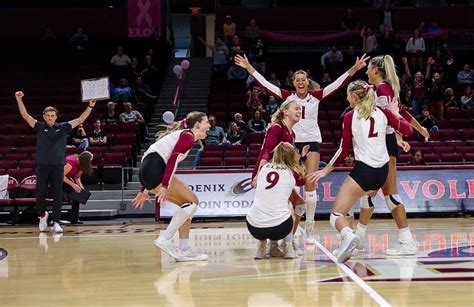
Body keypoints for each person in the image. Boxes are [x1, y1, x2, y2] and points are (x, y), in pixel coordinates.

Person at [235, 53, 369, 245]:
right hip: (292, 144)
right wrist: (249, 68)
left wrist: (354, 70)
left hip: (313, 141)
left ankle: (310, 229)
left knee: (310, 184)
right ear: (293, 82)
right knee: (292, 186)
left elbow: (338, 84)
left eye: (303, 79)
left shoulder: (316, 96)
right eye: (297, 80)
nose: (300, 82)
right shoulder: (287, 97)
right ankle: (292, 225)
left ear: (307, 82)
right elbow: (265, 84)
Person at [307, 80, 413, 262]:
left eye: (348, 95)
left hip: (364, 171)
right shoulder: (384, 112)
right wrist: (397, 114)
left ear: (355, 97)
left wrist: (325, 171)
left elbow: (344, 149)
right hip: (382, 172)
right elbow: (408, 130)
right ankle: (357, 238)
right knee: (365, 200)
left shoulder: (350, 116)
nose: (346, 98)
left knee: (335, 216)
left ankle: (350, 236)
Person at [358, 55, 429, 256]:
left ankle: (361, 239)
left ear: (376, 70)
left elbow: (389, 118)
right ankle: (362, 239)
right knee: (376, 194)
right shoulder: (386, 89)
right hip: (384, 144)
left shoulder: (382, 89)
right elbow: (401, 114)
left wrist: (399, 136)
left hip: (382, 145)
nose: (366, 72)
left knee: (377, 194)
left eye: (369, 69)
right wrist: (419, 128)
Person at [132, 112, 210, 262]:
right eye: (207, 122)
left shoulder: (185, 135)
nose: (209, 125)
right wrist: (165, 185)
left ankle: (185, 248)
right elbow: (172, 159)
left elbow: (152, 159)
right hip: (155, 170)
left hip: (148, 171)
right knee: (192, 203)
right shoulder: (187, 136)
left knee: (189, 203)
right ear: (198, 124)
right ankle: (166, 238)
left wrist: (144, 189)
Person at [14, 91, 96, 233]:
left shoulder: (63, 127)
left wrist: (90, 106)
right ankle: (42, 215)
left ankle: (57, 222)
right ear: (44, 116)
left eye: (53, 116)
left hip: (58, 166)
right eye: (48, 115)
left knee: (57, 194)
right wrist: (19, 99)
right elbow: (25, 116)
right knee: (40, 194)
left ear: (56, 117)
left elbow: (80, 119)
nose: (50, 118)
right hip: (43, 165)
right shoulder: (39, 127)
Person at [251, 99, 306, 256]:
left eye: (300, 109)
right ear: (285, 111)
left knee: (298, 204)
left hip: (280, 173)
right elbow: (267, 151)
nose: (299, 111)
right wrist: (258, 175)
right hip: (269, 171)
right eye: (296, 108)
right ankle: (286, 242)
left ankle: (277, 243)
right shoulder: (276, 128)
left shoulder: (291, 132)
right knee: (288, 205)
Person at [247, 142, 305, 259]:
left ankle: (261, 248)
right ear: (291, 155)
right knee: (291, 204)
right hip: (279, 228)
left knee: (264, 204)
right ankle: (288, 247)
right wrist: (301, 159)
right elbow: (302, 182)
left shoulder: (264, 167)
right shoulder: (292, 172)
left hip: (253, 227)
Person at [63, 151, 93, 224]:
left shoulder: (82, 165)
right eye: (90, 160)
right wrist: (73, 184)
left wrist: (80, 186)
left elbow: (77, 177)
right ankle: (55, 219)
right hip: (57, 179)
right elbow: (60, 175)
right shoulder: (71, 162)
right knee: (59, 195)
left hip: (66, 179)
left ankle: (74, 219)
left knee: (78, 192)